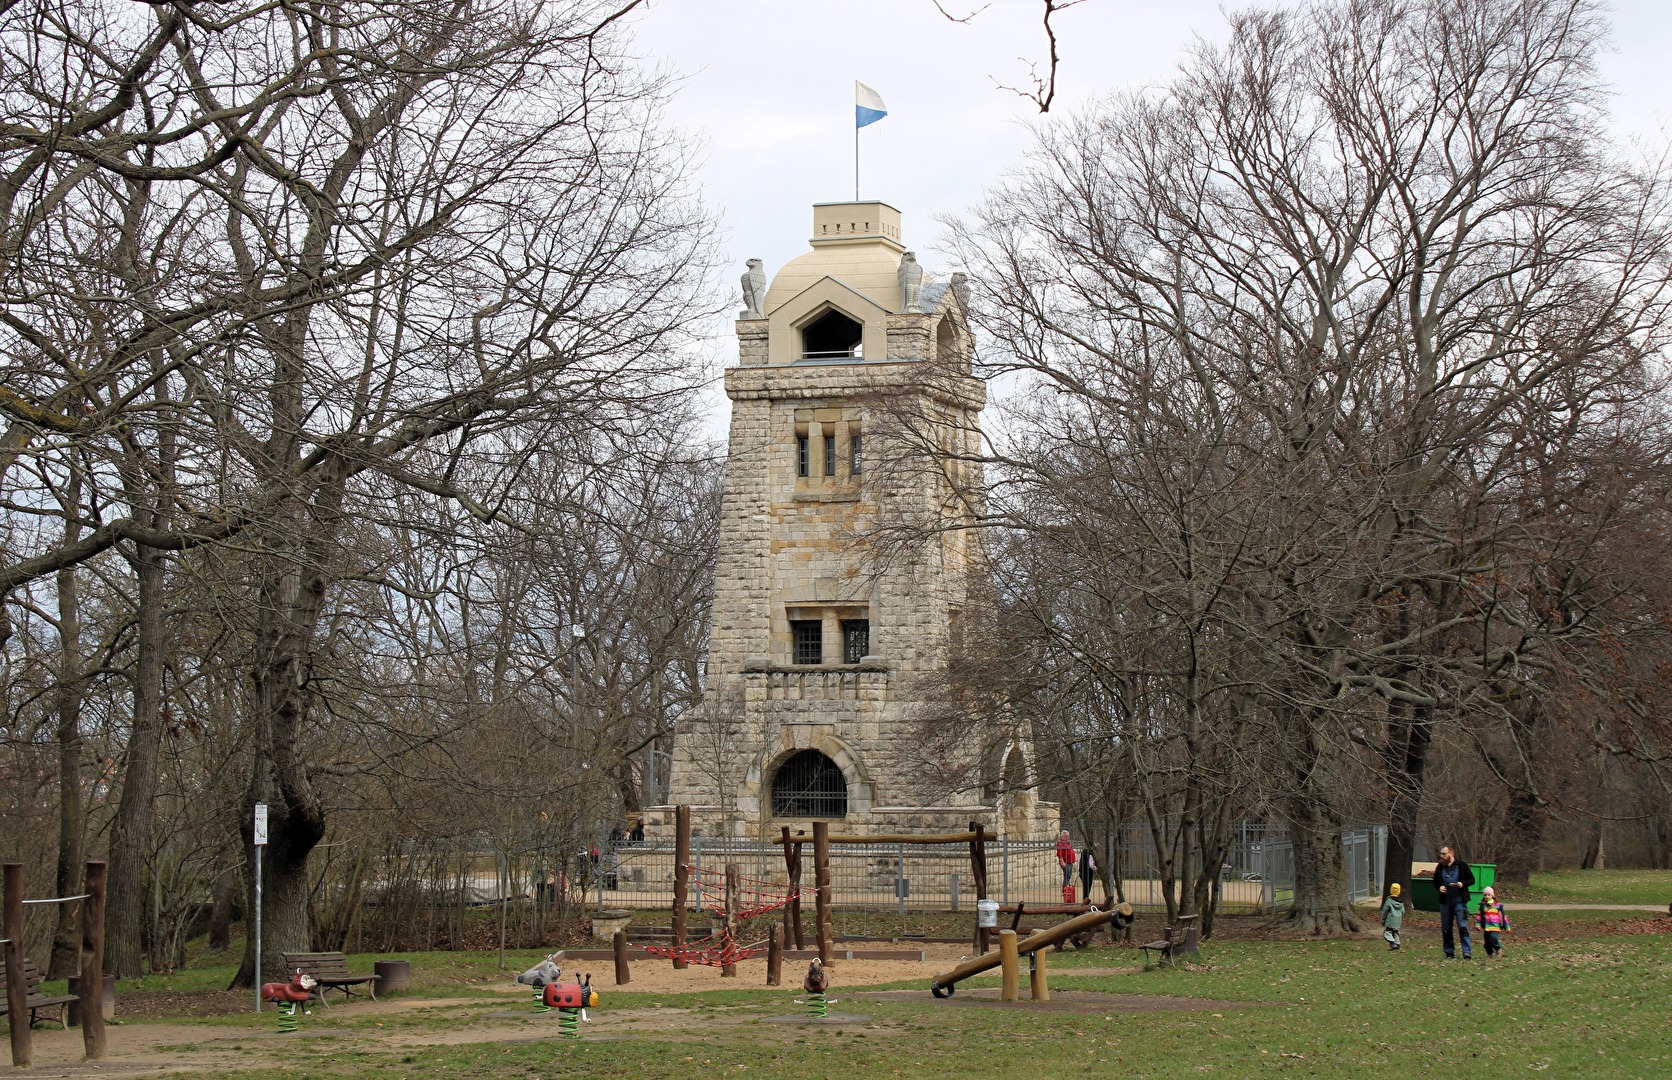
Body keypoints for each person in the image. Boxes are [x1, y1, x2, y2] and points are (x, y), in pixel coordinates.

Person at [1430, 845, 1475, 958]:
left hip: (1459, 900)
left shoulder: (1462, 865)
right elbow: (1435, 882)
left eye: (1444, 854)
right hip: (1445, 902)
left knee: (1462, 925)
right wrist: (1440, 887)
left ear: (1451, 853)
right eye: (1441, 854)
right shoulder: (1440, 867)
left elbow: (1472, 880)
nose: (1442, 856)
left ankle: (1466, 951)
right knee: (1446, 927)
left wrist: (1462, 884)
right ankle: (1449, 952)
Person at [1477, 886, 1511, 957]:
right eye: (1485, 895)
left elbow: (1504, 917)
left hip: (1495, 927)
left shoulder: (1497, 906)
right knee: (1486, 943)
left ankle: (1498, 949)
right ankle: (1489, 953)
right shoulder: (1483, 906)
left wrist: (1507, 927)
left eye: (1488, 895)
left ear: (1492, 896)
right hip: (1486, 927)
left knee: (1493, 938)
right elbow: (1479, 916)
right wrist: (1478, 925)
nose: (1487, 896)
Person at [1380, 882, 1406, 950]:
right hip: (1398, 920)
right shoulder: (1401, 902)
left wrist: (1383, 921)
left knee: (1387, 932)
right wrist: (1400, 918)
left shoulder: (1389, 901)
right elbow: (1403, 911)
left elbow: (1385, 911)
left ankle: (1393, 943)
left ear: (1391, 890)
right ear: (1399, 891)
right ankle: (1397, 943)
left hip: (1390, 920)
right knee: (1396, 932)